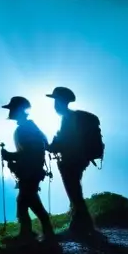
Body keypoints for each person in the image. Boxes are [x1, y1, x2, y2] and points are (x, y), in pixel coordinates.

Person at [46, 86, 102, 237]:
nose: (54, 105)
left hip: (71, 160)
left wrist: (49, 145)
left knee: (74, 192)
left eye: (56, 100)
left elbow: (64, 142)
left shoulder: (68, 119)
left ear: (61, 101)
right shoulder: (73, 118)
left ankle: (85, 227)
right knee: (75, 191)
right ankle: (80, 225)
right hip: (79, 159)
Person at [0, 96, 56, 244]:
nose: (10, 112)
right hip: (32, 171)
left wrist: (9, 155)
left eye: (12, 109)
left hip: (30, 172)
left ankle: (28, 235)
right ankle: (43, 233)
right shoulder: (29, 127)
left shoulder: (25, 129)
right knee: (30, 202)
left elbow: (30, 152)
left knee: (24, 202)